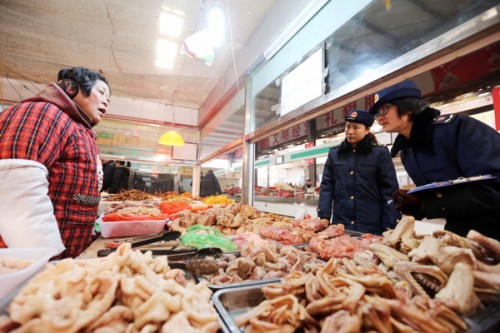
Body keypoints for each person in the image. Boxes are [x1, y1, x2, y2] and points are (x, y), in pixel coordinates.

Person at [0, 67, 111, 258]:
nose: (106, 101)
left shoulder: (73, 124)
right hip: (34, 265)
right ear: (71, 87)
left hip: (64, 261)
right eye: (101, 92)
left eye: (108, 98)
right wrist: (43, 262)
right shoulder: (41, 112)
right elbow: (15, 190)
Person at [369, 80, 500, 239]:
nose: (379, 117)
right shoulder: (407, 151)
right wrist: (414, 203)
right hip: (458, 237)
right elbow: (439, 195)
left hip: (494, 233)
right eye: (377, 113)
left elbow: (494, 187)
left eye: (385, 109)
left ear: (408, 107)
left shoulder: (459, 129)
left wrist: (426, 202)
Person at [317, 109, 401, 234]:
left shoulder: (379, 154)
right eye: (347, 127)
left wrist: (390, 224)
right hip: (341, 224)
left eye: (356, 128)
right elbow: (327, 187)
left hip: (370, 224)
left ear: (367, 130)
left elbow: (389, 191)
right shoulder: (335, 154)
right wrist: (324, 216)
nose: (350, 132)